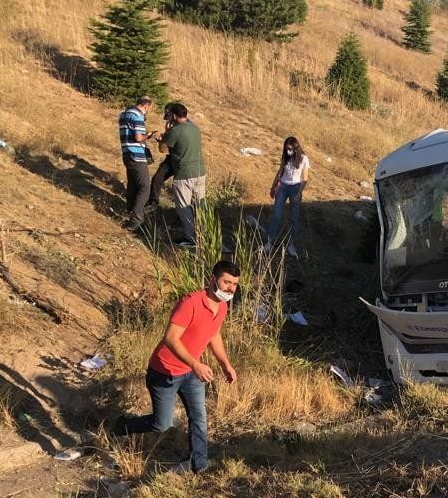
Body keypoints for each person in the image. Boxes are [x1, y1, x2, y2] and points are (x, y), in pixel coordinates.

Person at [118, 260, 240, 473]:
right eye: (226, 282)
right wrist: (196, 364)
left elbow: (213, 334)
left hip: (191, 373)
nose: (230, 288)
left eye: (234, 284)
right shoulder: (190, 302)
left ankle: (198, 465)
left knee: (199, 417)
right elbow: (171, 339)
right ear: (213, 280)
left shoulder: (221, 307)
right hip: (164, 372)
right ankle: (121, 426)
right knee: (161, 424)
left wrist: (225, 364)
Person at [159, 103, 206, 247]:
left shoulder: (176, 131)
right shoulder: (195, 128)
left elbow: (163, 149)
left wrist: (164, 135)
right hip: (199, 171)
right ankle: (203, 234)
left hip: (184, 174)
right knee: (199, 205)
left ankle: (190, 238)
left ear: (173, 115)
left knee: (183, 207)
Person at [265, 136, 310, 258]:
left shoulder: (303, 158)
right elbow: (280, 171)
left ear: (296, 148)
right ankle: (269, 242)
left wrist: (299, 193)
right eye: (286, 148)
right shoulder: (285, 156)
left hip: (295, 188)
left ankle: (291, 245)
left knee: (294, 218)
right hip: (283, 187)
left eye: (290, 149)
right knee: (276, 215)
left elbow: (304, 179)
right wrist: (273, 186)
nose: (288, 150)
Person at [118, 95, 157, 231]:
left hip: (127, 153)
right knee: (145, 187)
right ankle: (136, 220)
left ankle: (130, 212)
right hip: (137, 156)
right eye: (149, 109)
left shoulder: (124, 114)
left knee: (133, 185)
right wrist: (149, 135)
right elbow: (138, 137)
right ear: (146, 106)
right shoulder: (138, 116)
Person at [145, 103, 176, 212]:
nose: (168, 121)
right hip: (171, 158)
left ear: (174, 115)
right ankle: (153, 203)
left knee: (179, 187)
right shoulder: (172, 125)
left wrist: (164, 138)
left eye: (170, 117)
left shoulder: (176, 128)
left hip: (180, 161)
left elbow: (163, 149)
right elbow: (164, 149)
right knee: (157, 178)